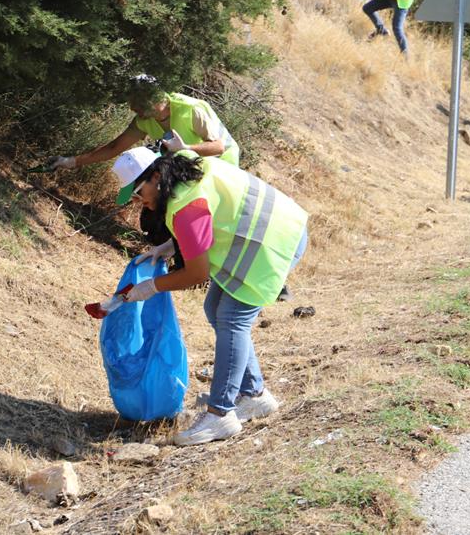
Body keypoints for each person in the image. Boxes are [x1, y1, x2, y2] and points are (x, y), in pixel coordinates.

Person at [111, 147, 308, 446]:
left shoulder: (187, 207)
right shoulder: (185, 165)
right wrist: (169, 247)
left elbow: (197, 274)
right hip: (277, 226)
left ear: (155, 176)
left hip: (274, 241)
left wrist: (151, 287)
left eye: (138, 192)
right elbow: (207, 222)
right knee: (214, 306)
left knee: (231, 319)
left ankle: (220, 415)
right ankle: (255, 395)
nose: (140, 202)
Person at [47, 74, 240, 170]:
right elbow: (114, 147)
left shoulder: (191, 109)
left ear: (153, 98)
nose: (132, 108)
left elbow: (218, 147)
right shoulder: (143, 121)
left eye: (137, 103)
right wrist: (71, 161)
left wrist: (185, 147)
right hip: (190, 164)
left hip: (223, 165)